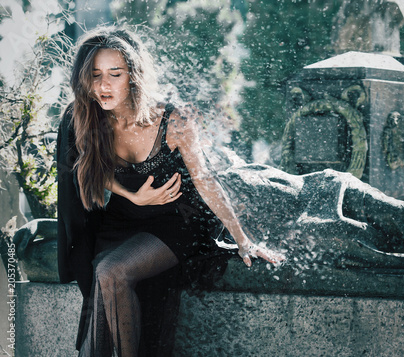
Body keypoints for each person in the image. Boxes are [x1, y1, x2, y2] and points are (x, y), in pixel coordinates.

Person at [57, 26, 282, 357]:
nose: (103, 85)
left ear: (132, 76)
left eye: (114, 74)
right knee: (104, 278)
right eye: (95, 75)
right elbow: (90, 168)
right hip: (122, 220)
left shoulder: (172, 120)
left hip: (174, 221)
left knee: (110, 270)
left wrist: (242, 239)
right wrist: (133, 195)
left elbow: (205, 178)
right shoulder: (89, 116)